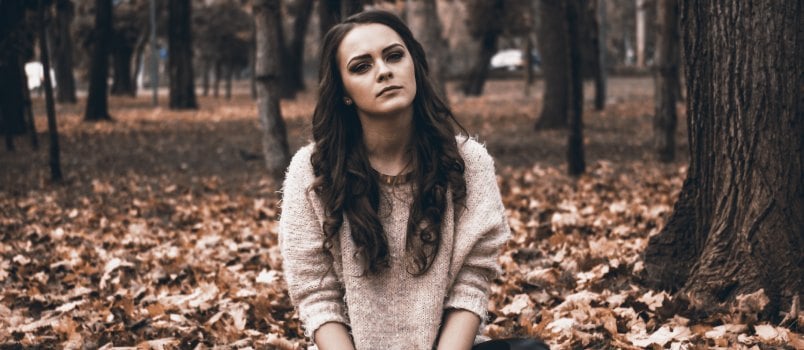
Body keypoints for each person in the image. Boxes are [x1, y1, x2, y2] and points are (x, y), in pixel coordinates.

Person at [279, 10, 547, 350]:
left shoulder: (468, 162)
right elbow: (316, 296)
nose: (384, 71)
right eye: (362, 66)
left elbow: (472, 280)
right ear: (343, 91)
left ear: (414, 65)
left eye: (393, 56)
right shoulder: (312, 171)